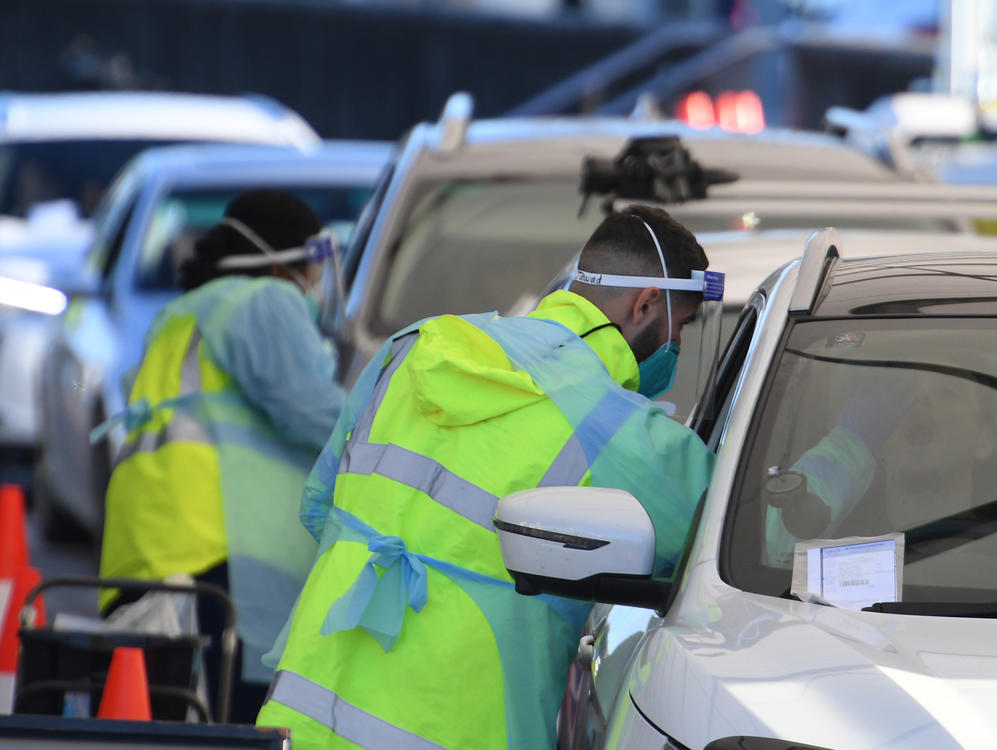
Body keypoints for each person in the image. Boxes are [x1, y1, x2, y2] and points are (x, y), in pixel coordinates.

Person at [255, 205, 718, 748]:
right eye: (681, 326)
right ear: (645, 305)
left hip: (304, 714)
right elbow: (745, 539)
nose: (678, 347)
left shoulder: (414, 346)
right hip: (456, 729)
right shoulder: (624, 432)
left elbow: (317, 507)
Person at [96, 189, 345, 722]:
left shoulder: (180, 314)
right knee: (228, 727)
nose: (318, 282)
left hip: (145, 554)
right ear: (282, 264)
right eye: (314, 265)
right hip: (217, 557)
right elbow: (319, 414)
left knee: (166, 725)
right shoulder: (264, 302)